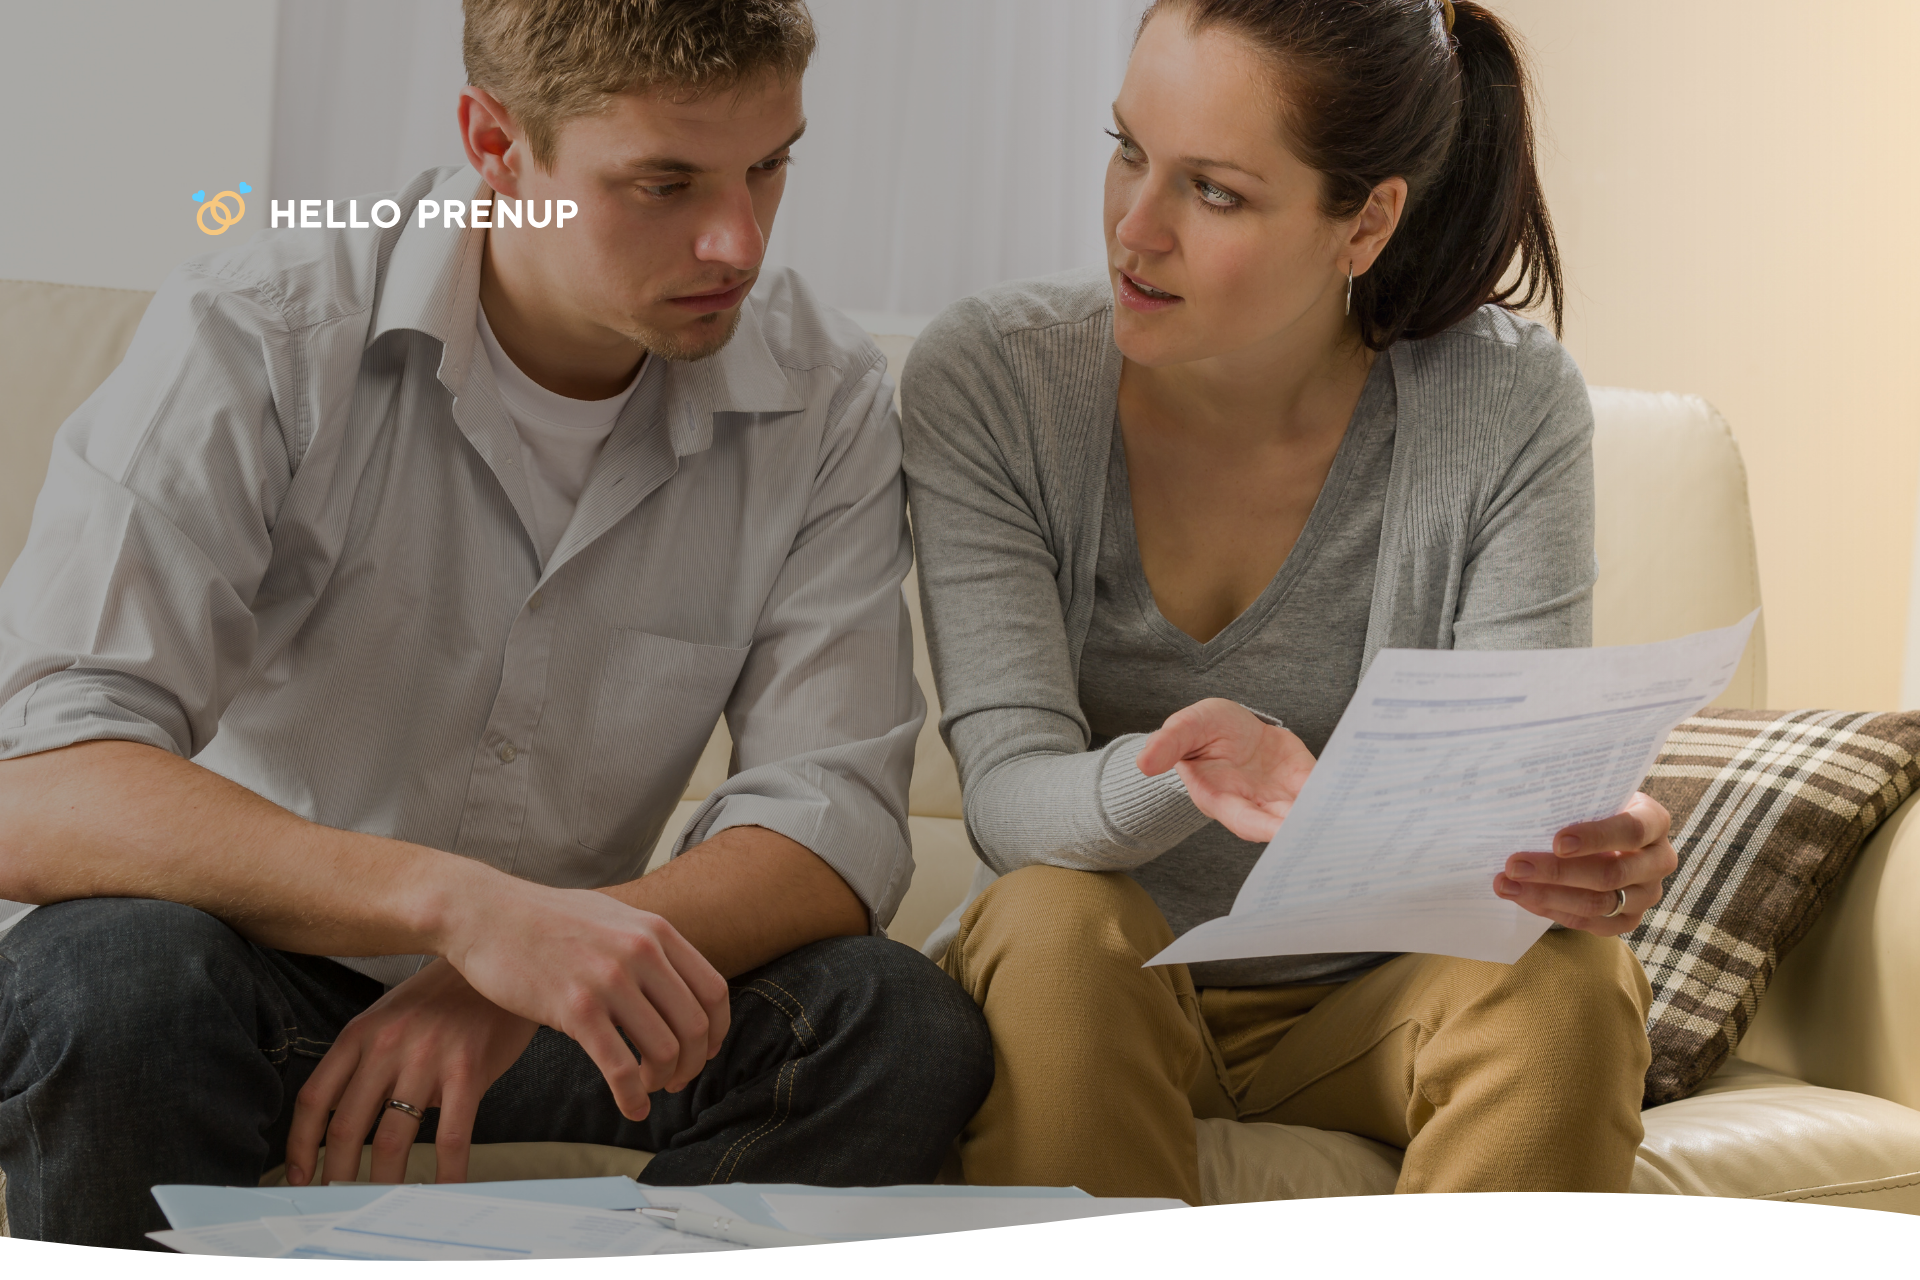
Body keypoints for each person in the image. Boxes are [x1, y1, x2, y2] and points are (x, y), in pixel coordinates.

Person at [0, 0, 991, 1249]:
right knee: (107, 975)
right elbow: (41, 785)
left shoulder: (826, 399)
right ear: (495, 143)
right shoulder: (258, 327)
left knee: (890, 1022)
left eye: (770, 164)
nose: (737, 237)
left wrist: (512, 977)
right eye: (664, 182)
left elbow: (828, 825)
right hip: (240, 983)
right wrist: (462, 912)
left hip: (579, 1006)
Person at [901, 0, 1671, 1203]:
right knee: (1051, 921)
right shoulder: (994, 380)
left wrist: (1578, 836)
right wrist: (1183, 769)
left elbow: (1507, 790)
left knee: (1568, 971)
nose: (1132, 228)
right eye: (1125, 151)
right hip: (1103, 981)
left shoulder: (1506, 406)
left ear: (1364, 220)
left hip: (1383, 995)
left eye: (1213, 191)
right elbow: (1006, 796)